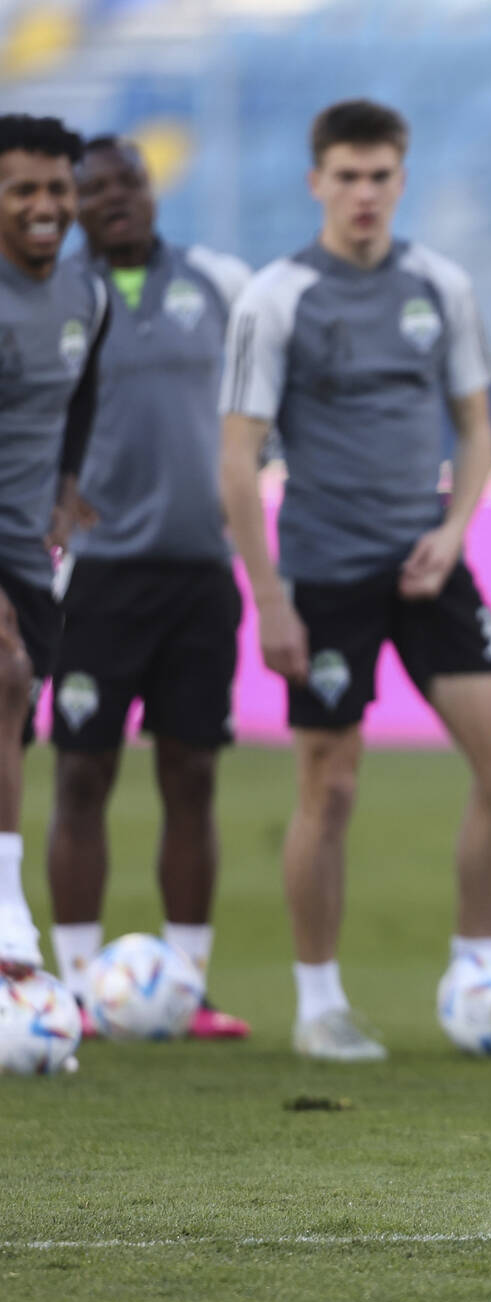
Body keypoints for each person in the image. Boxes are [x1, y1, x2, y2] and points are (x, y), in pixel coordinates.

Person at [219, 99, 491, 1062]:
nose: (364, 194)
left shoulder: (439, 285)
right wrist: (270, 596)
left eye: (380, 177)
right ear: (317, 181)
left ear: (401, 180)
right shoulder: (277, 296)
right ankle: (320, 999)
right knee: (330, 783)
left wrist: (453, 530)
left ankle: (478, 971)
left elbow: (479, 430)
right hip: (324, 573)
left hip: (426, 563)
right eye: (347, 176)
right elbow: (237, 459)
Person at [43, 136, 250, 1038]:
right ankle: (78, 986)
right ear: (75, 205)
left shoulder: (218, 282)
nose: (117, 197)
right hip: (96, 577)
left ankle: (188, 985)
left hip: (203, 570)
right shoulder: (56, 295)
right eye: (97, 188)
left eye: (131, 180)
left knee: (192, 774)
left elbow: (264, 399)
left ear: (152, 190)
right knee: (83, 772)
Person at [0, 113, 107, 981]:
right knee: (5, 676)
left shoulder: (88, 298)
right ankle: (9, 934)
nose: (44, 205)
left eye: (57, 188)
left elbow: (77, 395)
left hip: (31, 554)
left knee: (9, 729)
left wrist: (68, 482)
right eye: (22, 189)